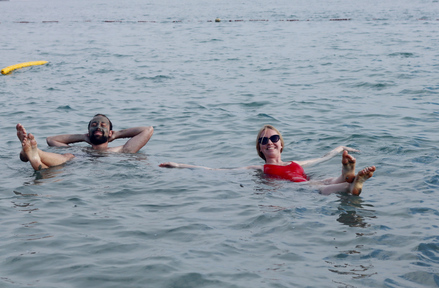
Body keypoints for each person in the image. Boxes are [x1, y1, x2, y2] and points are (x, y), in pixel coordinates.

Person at [159, 124, 375, 196]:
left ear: (281, 143)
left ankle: (347, 175)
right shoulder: (258, 168)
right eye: (264, 140)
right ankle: (350, 184)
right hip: (300, 190)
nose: (269, 142)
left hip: (307, 182)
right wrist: (178, 165)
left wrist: (340, 148)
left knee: (327, 180)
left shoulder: (297, 163)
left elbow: (321, 157)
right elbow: (215, 170)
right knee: (316, 187)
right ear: (260, 149)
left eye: (273, 138)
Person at [17, 114, 154, 171]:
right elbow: (51, 140)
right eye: (94, 124)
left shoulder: (121, 150)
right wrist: (83, 137)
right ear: (89, 132)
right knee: (68, 156)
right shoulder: (80, 150)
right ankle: (34, 156)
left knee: (67, 158)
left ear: (110, 132)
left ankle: (33, 155)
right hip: (75, 161)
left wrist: (116, 135)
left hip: (78, 167)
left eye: (103, 125)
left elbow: (147, 130)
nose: (98, 126)